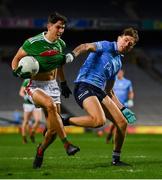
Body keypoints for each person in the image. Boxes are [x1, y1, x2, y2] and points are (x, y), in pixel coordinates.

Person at [11, 11, 80, 169]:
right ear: (49, 26)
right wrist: (15, 71)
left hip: (53, 85)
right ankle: (67, 144)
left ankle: (40, 150)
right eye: (58, 27)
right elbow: (15, 59)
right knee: (49, 105)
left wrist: (63, 83)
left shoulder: (60, 44)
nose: (61, 30)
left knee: (52, 131)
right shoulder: (32, 42)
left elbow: (59, 64)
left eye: (63, 28)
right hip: (35, 85)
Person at [63, 27, 139, 166]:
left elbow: (109, 91)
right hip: (84, 85)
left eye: (131, 44)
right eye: (126, 40)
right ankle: (64, 121)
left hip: (99, 90)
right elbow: (85, 46)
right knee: (99, 121)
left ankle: (116, 160)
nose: (127, 44)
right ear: (119, 38)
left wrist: (123, 109)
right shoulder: (106, 45)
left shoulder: (118, 63)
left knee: (122, 123)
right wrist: (72, 55)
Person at [106, 69, 134, 143]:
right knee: (116, 121)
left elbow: (130, 92)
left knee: (119, 121)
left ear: (123, 73)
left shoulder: (127, 82)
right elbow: (109, 91)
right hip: (113, 104)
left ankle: (114, 137)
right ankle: (111, 134)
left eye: (120, 72)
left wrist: (130, 100)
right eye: (118, 73)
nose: (119, 74)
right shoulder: (113, 81)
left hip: (123, 105)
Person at [19, 79, 42, 144]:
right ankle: (24, 137)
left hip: (36, 103)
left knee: (38, 120)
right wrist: (25, 96)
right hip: (28, 104)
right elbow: (21, 92)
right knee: (26, 121)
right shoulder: (27, 81)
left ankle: (32, 133)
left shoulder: (40, 80)